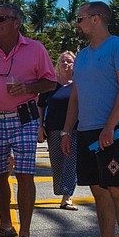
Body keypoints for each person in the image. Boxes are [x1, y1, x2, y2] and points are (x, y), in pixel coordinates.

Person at [0, 3, 57, 237]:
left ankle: (25, 233)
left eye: (2, 19)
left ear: (17, 23)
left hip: (24, 119)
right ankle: (6, 226)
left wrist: (28, 88)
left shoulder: (35, 49)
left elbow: (50, 82)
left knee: (25, 173)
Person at [63, 2, 119, 237]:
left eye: (80, 18)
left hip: (117, 130)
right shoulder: (82, 56)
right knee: (98, 189)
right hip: (87, 131)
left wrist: (109, 127)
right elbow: (76, 95)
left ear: (96, 19)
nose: (77, 24)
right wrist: (67, 130)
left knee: (118, 188)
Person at [38, 51, 78, 210]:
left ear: (74, 65)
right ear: (58, 65)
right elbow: (40, 106)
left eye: (69, 61)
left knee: (71, 162)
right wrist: (40, 126)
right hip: (53, 129)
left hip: (75, 130)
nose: (65, 64)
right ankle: (61, 190)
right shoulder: (50, 84)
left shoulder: (78, 84)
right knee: (57, 163)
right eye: (62, 61)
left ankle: (67, 197)